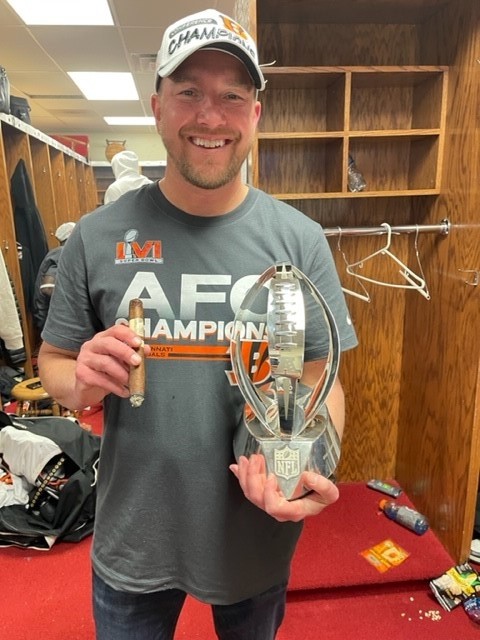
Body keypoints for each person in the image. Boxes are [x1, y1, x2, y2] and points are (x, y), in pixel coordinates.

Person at [38, 8, 358, 640]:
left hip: (253, 542)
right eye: (189, 93)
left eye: (232, 97)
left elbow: (323, 382)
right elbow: (53, 366)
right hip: (134, 540)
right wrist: (80, 380)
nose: (211, 117)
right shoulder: (98, 237)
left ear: (255, 116)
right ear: (158, 107)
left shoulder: (301, 240)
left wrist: (313, 461)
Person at [32, 221, 75, 331]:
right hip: (52, 323)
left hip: (48, 320)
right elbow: (47, 288)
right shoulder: (61, 253)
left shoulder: (58, 252)